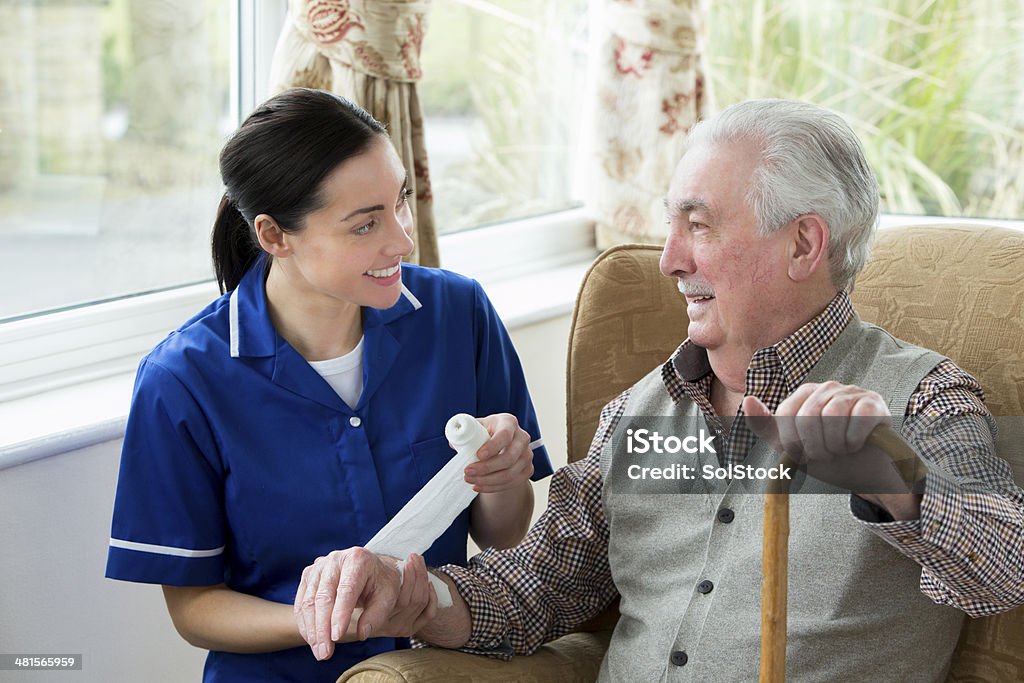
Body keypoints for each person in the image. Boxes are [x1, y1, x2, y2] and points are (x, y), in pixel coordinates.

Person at [294, 99, 1024, 682]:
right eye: (670, 224)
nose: (670, 259)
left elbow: (1006, 564)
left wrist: (897, 482)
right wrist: (414, 594)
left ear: (804, 244)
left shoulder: (923, 397)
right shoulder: (639, 414)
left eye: (697, 226)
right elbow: (534, 588)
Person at [105, 88, 553, 682]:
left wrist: (503, 478)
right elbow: (194, 609)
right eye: (365, 225)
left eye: (400, 204)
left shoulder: (459, 313)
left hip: (435, 671)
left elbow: (501, 533)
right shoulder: (182, 381)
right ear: (274, 235)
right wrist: (335, 615)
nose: (401, 240)